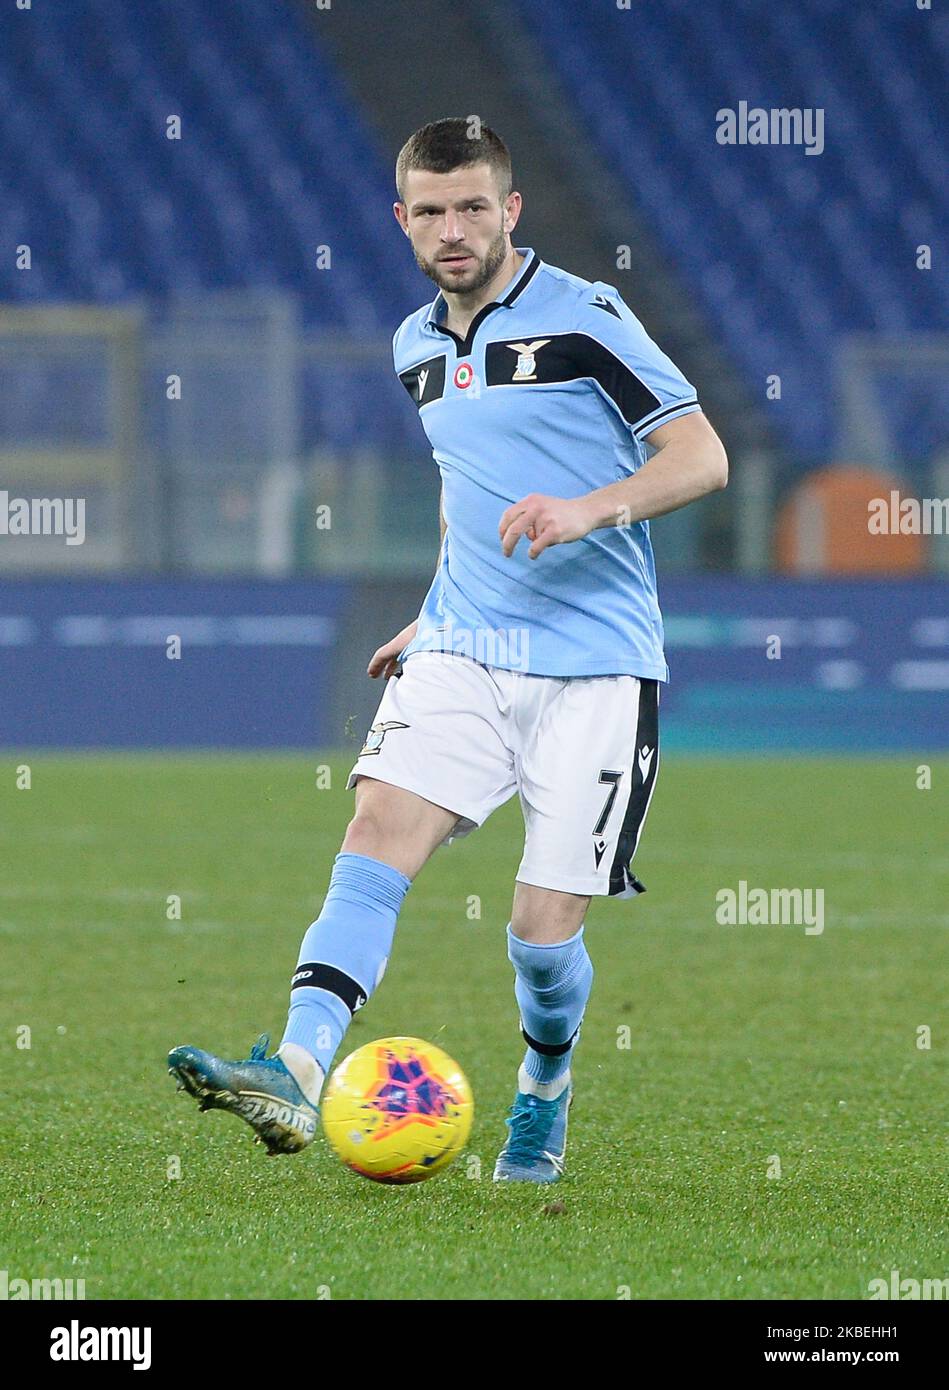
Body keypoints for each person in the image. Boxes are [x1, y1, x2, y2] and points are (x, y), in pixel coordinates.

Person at [168, 118, 727, 1184]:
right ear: (402, 221)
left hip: (596, 665)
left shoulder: (587, 317)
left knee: (539, 933)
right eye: (430, 211)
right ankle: (291, 1066)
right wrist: (434, 610)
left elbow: (701, 456)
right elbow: (459, 492)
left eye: (474, 206)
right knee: (377, 824)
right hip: (464, 644)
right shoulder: (412, 345)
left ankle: (545, 1087)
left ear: (510, 210)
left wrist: (587, 509)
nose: (453, 228)